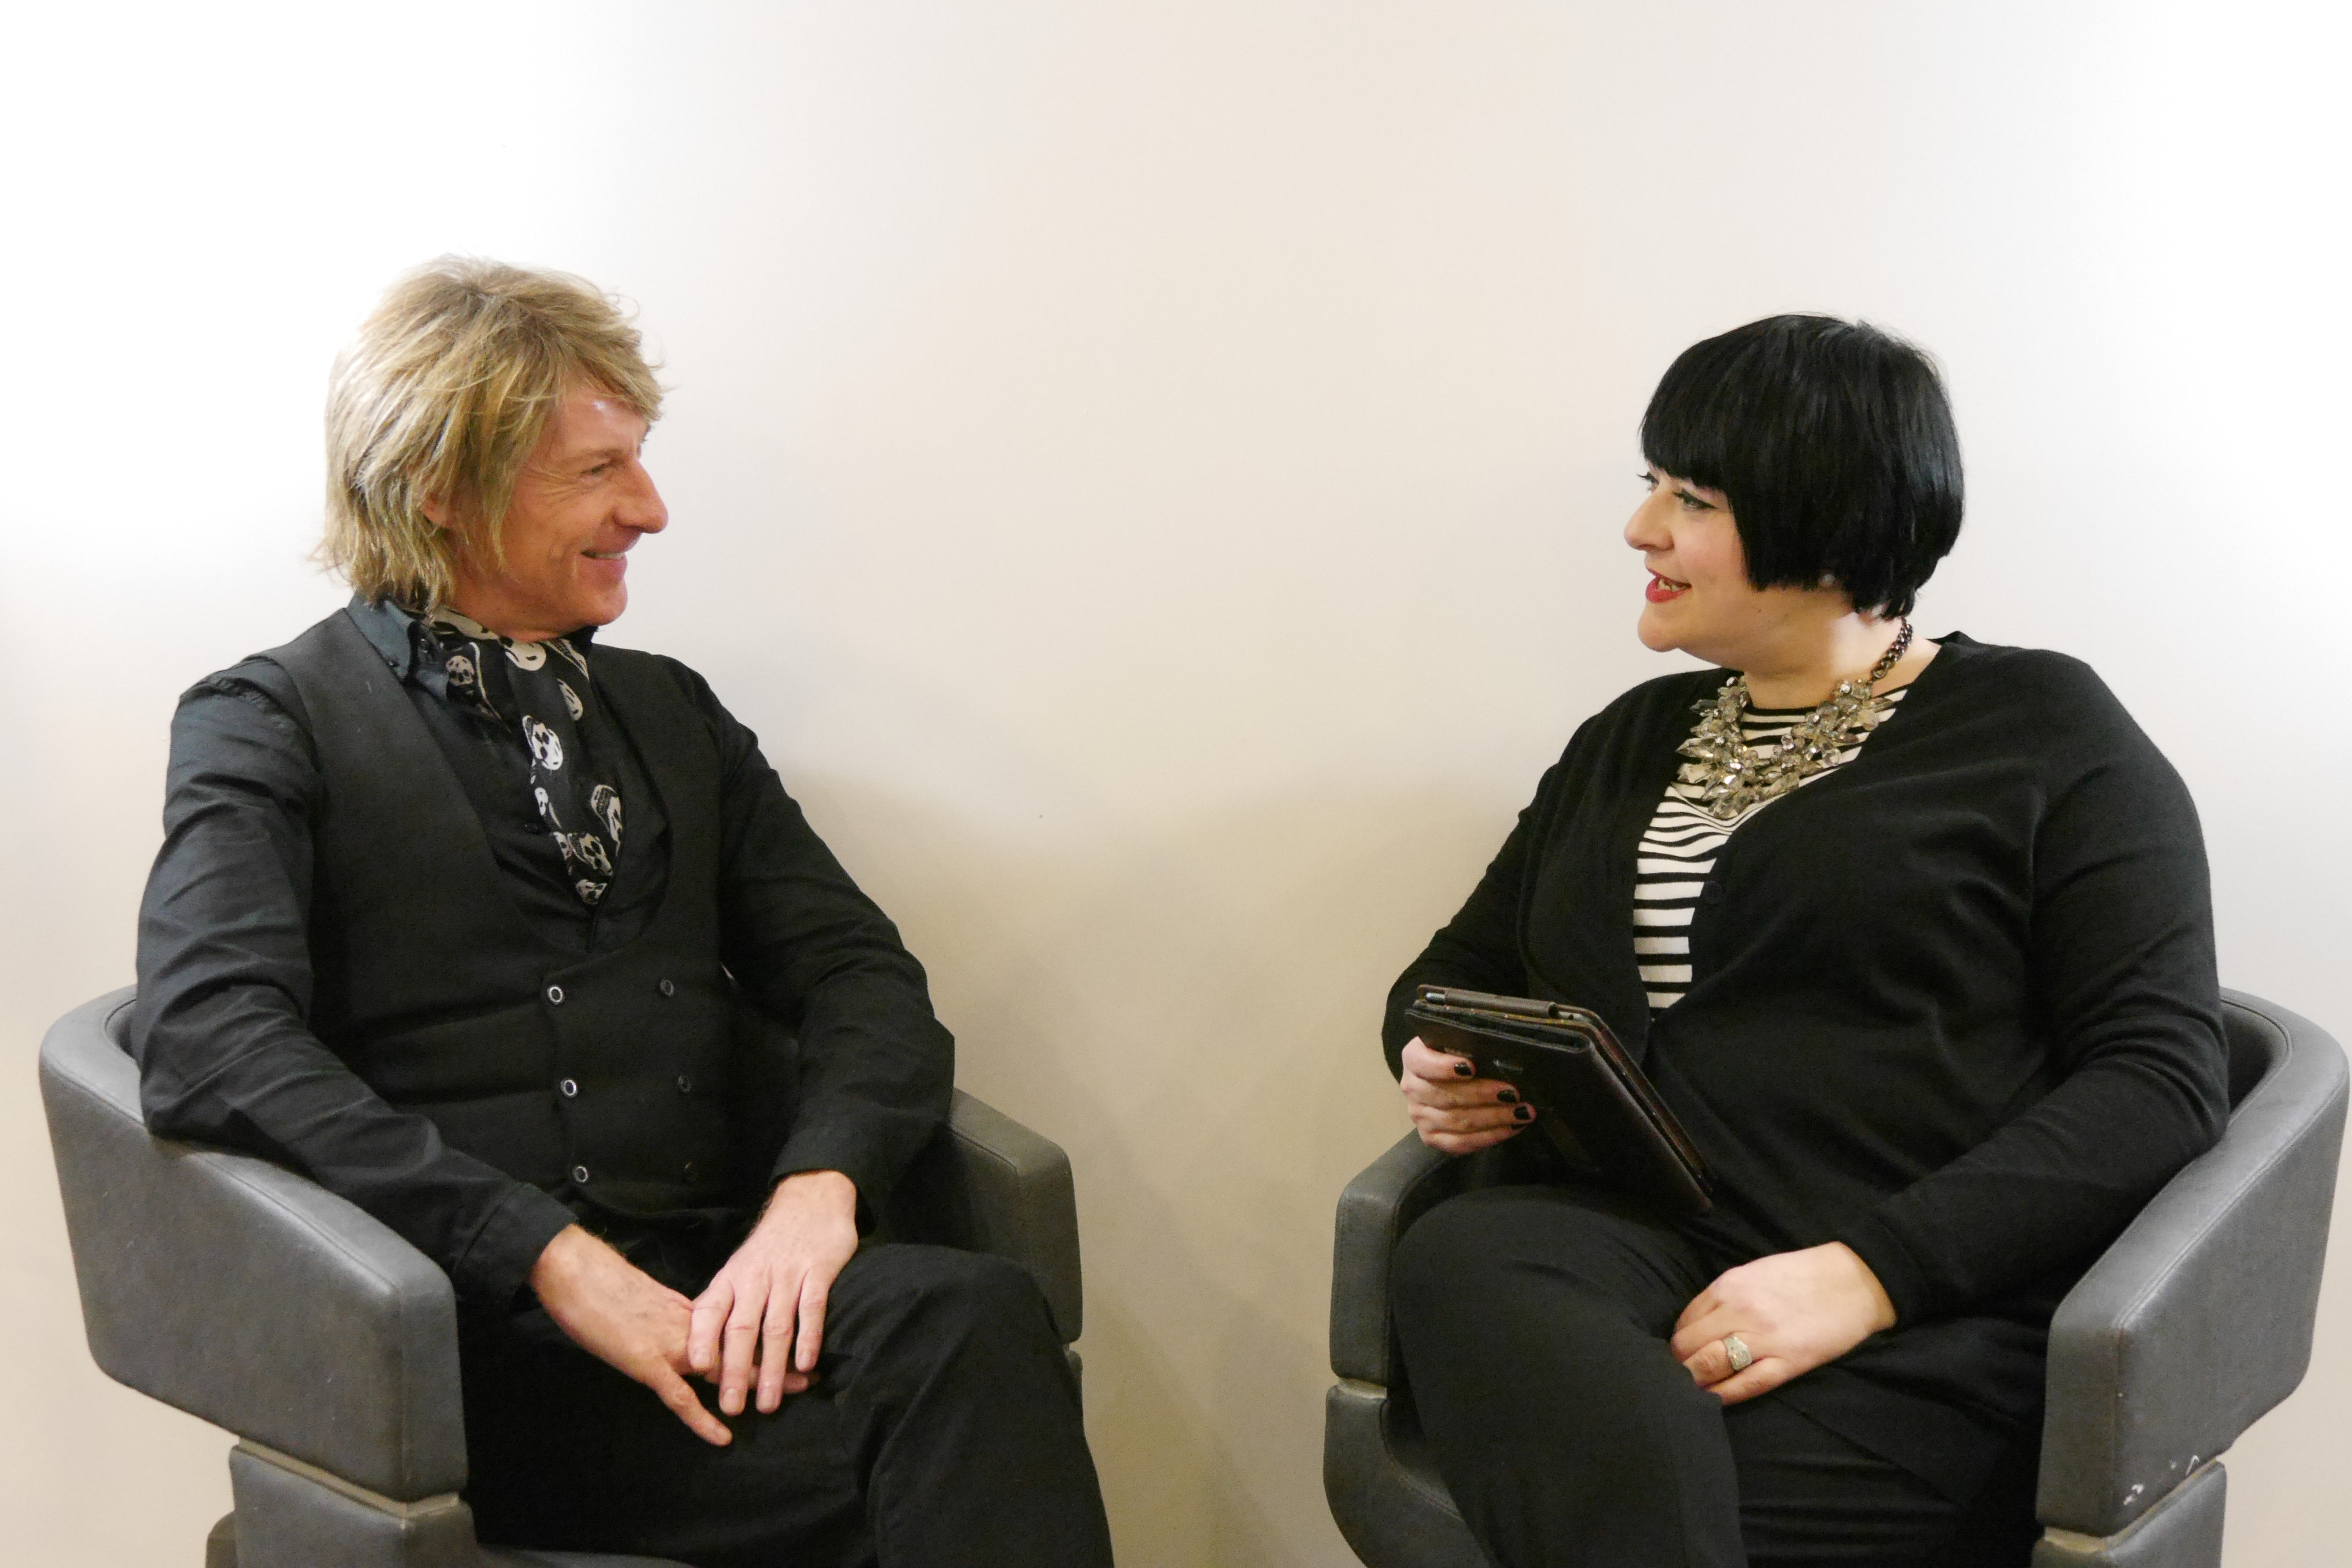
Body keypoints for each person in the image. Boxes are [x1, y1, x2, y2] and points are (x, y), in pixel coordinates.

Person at [131, 257, 1115, 1568]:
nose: (649, 509)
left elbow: (858, 974)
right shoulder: (268, 721)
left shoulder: (671, 713)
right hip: (457, 1347)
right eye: (598, 470)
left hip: (715, 1294)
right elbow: (208, 1036)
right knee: (962, 1445)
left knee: (973, 1321)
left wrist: (819, 1191)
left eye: (639, 461)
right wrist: (546, 1253)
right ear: (439, 483)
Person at [1382, 315, 2228, 1567]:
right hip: (1613, 1269)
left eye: (1694, 498)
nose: (1641, 529)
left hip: (1915, 1324)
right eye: (1653, 485)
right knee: (1459, 1250)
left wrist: (1868, 1275)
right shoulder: (1628, 740)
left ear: (1827, 519)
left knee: (1632, 1504)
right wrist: (1432, 1058)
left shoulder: (2045, 731)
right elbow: (1456, 973)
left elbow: (2159, 1082)